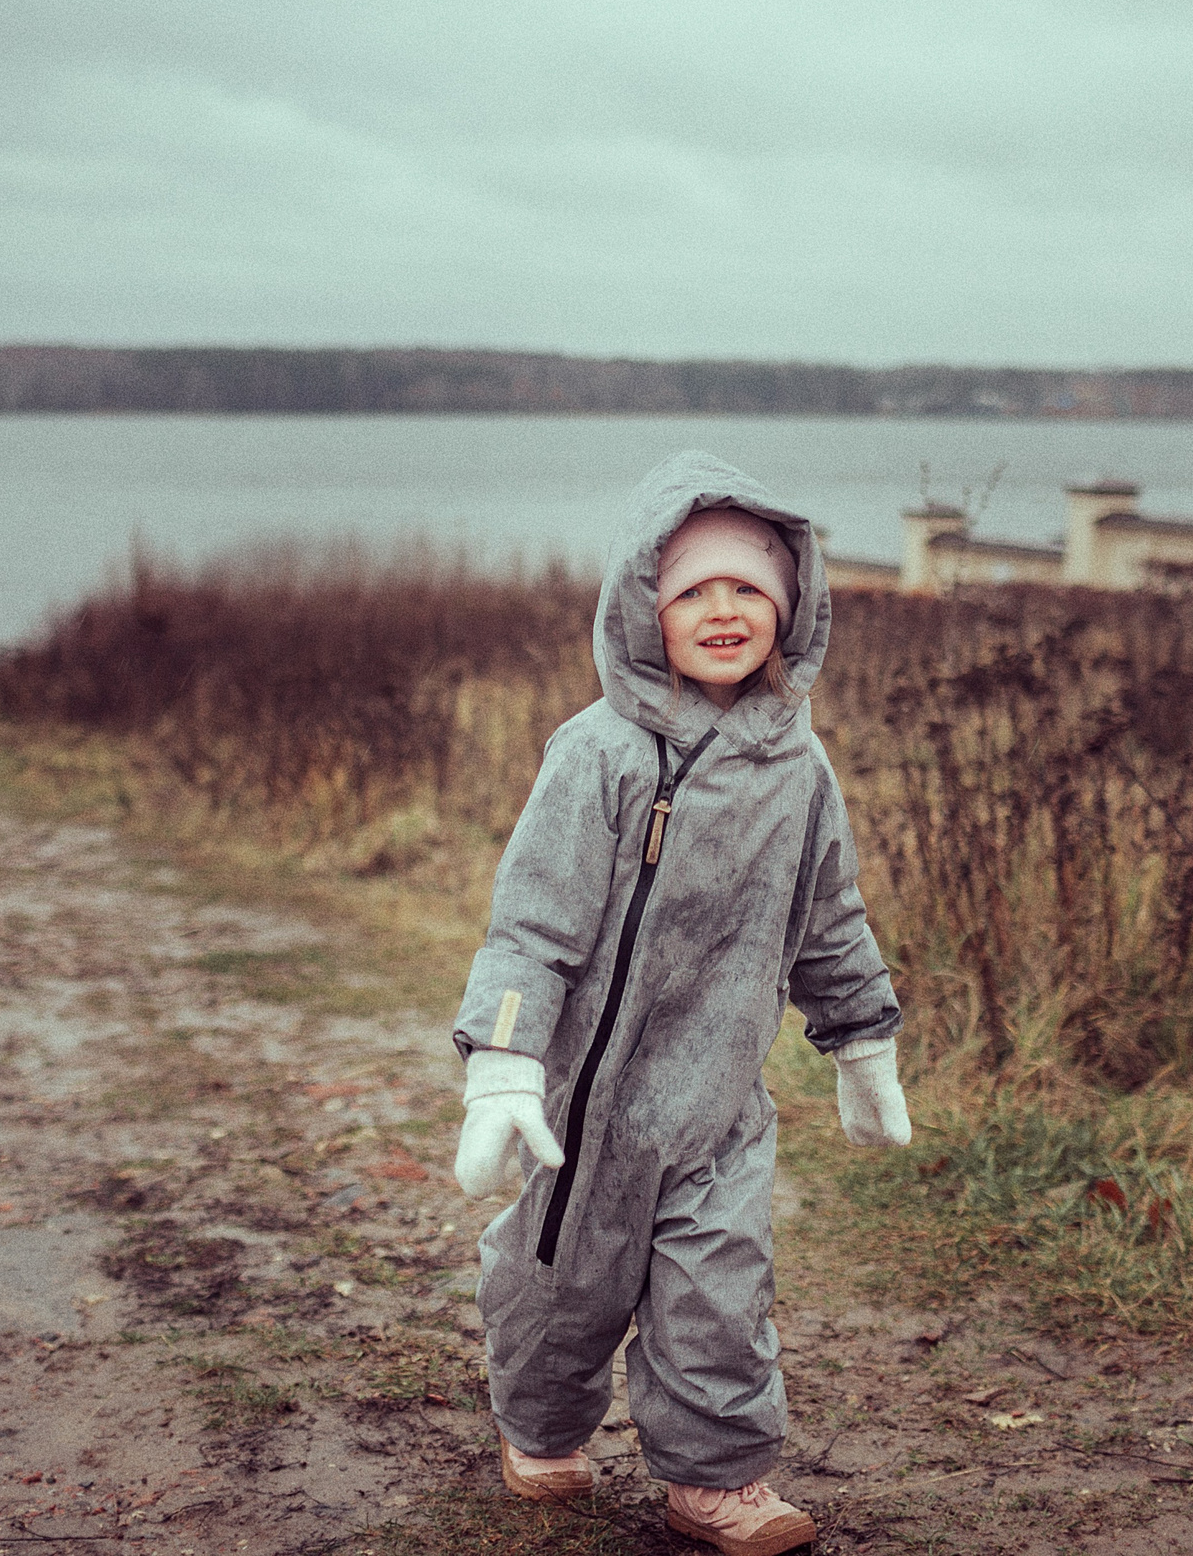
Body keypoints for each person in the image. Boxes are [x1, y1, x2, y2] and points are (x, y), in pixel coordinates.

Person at [449, 451, 910, 1556]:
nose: (723, 611)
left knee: (720, 1296)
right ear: (642, 607)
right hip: (590, 1112)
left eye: (749, 588)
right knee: (561, 1292)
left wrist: (863, 1042)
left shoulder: (798, 767)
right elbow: (531, 928)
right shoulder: (598, 753)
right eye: (694, 590)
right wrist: (504, 1065)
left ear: (791, 607)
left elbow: (829, 919)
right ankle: (540, 1426)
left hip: (718, 1107)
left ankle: (717, 1479)